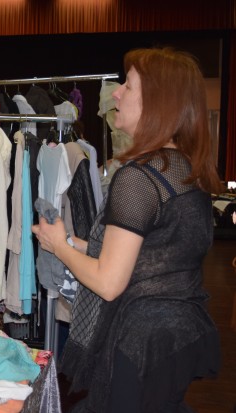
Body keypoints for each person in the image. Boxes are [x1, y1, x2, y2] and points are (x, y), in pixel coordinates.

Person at [32, 47, 224, 412]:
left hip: (141, 343)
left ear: (157, 103)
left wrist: (60, 247)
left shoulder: (139, 178)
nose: (116, 93)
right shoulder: (184, 169)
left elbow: (109, 281)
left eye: (128, 86)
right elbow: (143, 254)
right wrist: (69, 240)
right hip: (176, 337)